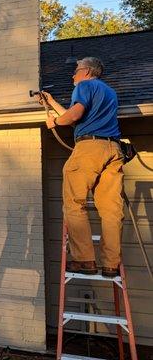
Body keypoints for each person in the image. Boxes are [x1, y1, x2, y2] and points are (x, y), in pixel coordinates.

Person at [39, 57, 124, 278]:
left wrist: (54, 123)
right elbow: (78, 115)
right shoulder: (109, 92)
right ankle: (110, 264)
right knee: (111, 210)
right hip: (113, 149)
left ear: (86, 71)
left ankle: (84, 260)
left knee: (74, 204)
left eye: (76, 71)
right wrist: (52, 103)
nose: (73, 75)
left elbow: (74, 115)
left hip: (89, 149)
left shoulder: (85, 86)